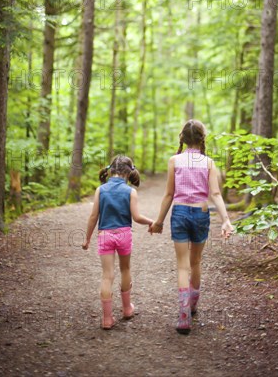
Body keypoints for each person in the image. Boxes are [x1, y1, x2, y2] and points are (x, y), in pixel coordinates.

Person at [150, 119, 234, 334]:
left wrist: (159, 221)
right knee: (195, 262)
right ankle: (193, 304)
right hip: (201, 213)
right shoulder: (209, 163)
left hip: (179, 213)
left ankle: (184, 314)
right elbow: (215, 194)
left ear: (183, 139)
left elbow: (169, 194)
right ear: (202, 138)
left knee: (182, 266)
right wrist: (226, 219)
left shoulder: (174, 160)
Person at [82, 155, 153, 329]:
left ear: (111, 170)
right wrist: (152, 222)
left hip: (105, 235)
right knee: (125, 269)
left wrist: (87, 238)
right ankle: (127, 309)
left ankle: (107, 319)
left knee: (107, 276)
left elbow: (93, 217)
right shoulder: (130, 191)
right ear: (129, 173)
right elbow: (136, 217)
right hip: (124, 235)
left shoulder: (101, 190)